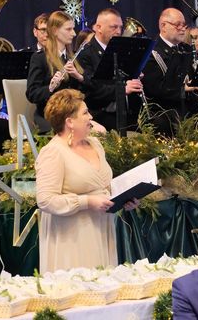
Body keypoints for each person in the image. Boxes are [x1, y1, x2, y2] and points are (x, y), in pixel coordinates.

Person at [36, 89, 139, 273]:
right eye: (85, 113)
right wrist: (87, 202)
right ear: (70, 122)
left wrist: (125, 199)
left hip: (101, 228)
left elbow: (103, 186)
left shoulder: (95, 144)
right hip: (72, 236)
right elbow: (45, 200)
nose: (91, 117)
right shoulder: (53, 152)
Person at [77, 8, 143, 131]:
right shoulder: (86, 54)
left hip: (124, 112)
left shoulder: (122, 50)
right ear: (98, 27)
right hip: (100, 114)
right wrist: (122, 89)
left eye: (120, 27)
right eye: (113, 27)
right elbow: (91, 90)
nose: (118, 31)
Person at [26, 11, 87, 133]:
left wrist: (79, 77)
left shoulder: (75, 57)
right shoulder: (39, 58)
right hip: (50, 117)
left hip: (73, 113)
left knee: (99, 131)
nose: (74, 33)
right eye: (68, 29)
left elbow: (87, 91)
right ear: (54, 31)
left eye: (73, 29)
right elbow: (32, 94)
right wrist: (50, 88)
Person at [143, 8, 198, 135]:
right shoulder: (151, 51)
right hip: (164, 110)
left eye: (184, 25)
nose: (183, 29)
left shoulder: (187, 49)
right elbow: (154, 90)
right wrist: (183, 89)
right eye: (178, 25)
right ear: (163, 26)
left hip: (187, 105)